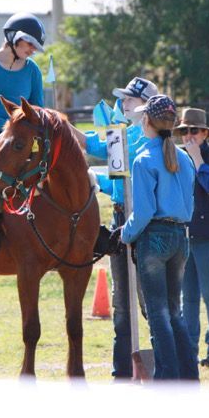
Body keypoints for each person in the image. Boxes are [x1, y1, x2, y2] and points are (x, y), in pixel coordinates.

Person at [70, 77, 158, 380]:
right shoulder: (125, 134)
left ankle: (164, 364)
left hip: (146, 224)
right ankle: (121, 369)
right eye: (123, 100)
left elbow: (98, 147)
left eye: (129, 100)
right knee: (121, 302)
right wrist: (97, 181)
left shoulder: (147, 138)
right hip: (120, 218)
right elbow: (114, 175)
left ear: (144, 104)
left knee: (150, 301)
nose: (123, 104)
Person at [116, 94, 199, 381]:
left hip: (154, 237)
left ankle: (166, 378)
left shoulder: (144, 159)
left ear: (147, 120)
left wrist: (125, 234)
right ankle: (189, 376)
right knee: (175, 312)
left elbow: (143, 212)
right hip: (180, 235)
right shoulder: (185, 159)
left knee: (158, 314)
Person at [0, 12, 46, 250]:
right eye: (30, 44)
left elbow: (38, 109)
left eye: (35, 46)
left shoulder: (33, 70)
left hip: (26, 135)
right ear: (14, 38)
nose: (33, 50)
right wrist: (8, 129)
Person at [176, 108, 209, 368]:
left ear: (205, 133)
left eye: (194, 131)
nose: (189, 136)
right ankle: (188, 350)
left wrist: (197, 158)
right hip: (185, 236)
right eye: (184, 131)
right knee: (188, 299)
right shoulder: (177, 159)